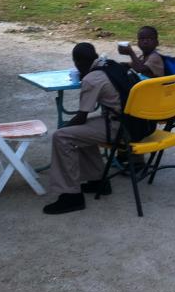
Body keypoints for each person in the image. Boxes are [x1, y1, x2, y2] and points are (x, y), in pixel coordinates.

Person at [43, 42, 120, 215]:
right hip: (131, 123)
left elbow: (81, 117)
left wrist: (63, 128)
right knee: (81, 131)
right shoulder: (110, 65)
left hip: (119, 129)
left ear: (77, 62)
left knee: (62, 136)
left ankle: (71, 196)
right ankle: (98, 180)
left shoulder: (92, 79)